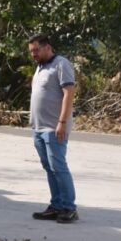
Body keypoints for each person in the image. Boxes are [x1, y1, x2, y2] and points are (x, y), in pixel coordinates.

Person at [27, 34, 78, 223]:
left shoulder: (61, 64)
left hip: (54, 127)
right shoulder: (40, 67)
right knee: (49, 168)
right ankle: (56, 205)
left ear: (47, 47)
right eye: (31, 52)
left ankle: (69, 207)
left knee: (59, 167)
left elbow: (68, 94)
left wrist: (62, 122)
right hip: (39, 128)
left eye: (36, 50)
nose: (34, 55)